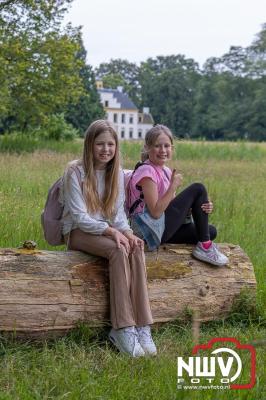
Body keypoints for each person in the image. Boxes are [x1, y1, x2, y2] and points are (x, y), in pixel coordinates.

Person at [61, 120, 156, 357]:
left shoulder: (115, 173)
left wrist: (128, 233)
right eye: (100, 144)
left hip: (106, 230)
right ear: (89, 145)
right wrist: (112, 232)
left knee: (134, 248)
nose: (105, 149)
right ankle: (122, 328)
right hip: (77, 231)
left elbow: (118, 214)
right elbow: (80, 217)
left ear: (116, 147)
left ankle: (142, 326)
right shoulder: (75, 171)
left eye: (110, 144)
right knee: (117, 250)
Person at [127, 124, 228, 267]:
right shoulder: (146, 172)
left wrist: (196, 207)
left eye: (167, 146)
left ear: (172, 149)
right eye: (157, 146)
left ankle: (205, 244)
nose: (163, 150)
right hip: (146, 232)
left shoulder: (166, 171)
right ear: (147, 148)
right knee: (198, 188)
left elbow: (169, 207)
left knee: (210, 231)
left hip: (160, 226)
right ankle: (205, 248)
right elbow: (156, 212)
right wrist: (173, 186)